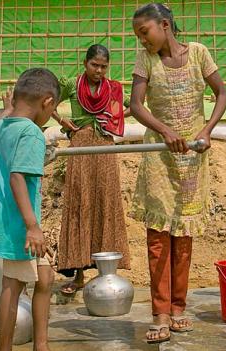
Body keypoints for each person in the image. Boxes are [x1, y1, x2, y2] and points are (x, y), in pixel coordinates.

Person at [130, 3, 226, 343]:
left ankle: (178, 307)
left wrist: (207, 131)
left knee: (183, 236)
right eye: (138, 36)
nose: (142, 40)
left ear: (165, 25)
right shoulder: (147, 60)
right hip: (159, 155)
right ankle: (159, 312)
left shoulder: (199, 54)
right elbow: (136, 105)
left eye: (145, 33)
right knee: (158, 236)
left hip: (192, 158)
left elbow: (222, 94)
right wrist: (165, 132)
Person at [0, 68, 60, 351]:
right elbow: (18, 177)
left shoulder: (0, 127)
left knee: (45, 277)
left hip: (14, 222)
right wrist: (32, 226)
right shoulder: (31, 133)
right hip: (22, 225)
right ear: (47, 102)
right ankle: (4, 347)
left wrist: (7, 111)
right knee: (12, 286)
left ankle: (41, 345)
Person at [54, 44, 131, 295]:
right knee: (80, 202)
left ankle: (106, 276)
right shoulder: (72, 84)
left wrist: (115, 118)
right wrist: (61, 120)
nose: (99, 71)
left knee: (105, 202)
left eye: (103, 66)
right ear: (85, 63)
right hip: (80, 147)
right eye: (94, 65)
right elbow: (47, 99)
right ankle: (78, 276)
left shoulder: (113, 88)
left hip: (105, 148)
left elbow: (135, 105)